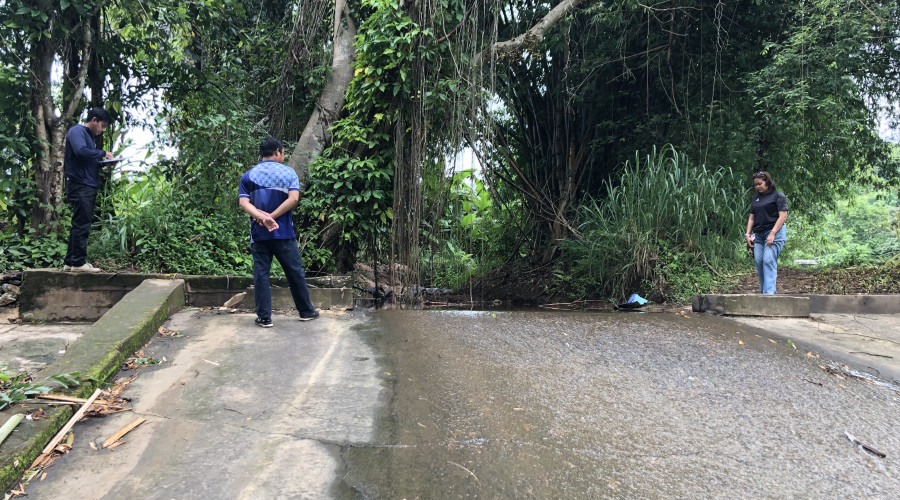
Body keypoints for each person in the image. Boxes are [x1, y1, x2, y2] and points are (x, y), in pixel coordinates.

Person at [238, 137, 318, 327]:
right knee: (294, 272)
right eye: (283, 153)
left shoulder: (248, 176)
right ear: (277, 152)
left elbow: (243, 203)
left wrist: (262, 218)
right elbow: (294, 199)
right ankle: (306, 311)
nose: (283, 156)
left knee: (261, 275)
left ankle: (264, 318)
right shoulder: (289, 173)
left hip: (259, 234)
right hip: (284, 233)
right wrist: (272, 217)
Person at [63, 107, 115, 272]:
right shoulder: (77, 131)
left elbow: (87, 160)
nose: (102, 130)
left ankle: (70, 262)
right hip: (80, 185)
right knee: (82, 224)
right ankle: (78, 263)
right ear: (94, 120)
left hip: (86, 184)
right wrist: (103, 153)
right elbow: (81, 151)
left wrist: (103, 163)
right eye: (102, 125)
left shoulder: (89, 137)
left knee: (79, 223)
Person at [745, 171, 788, 294]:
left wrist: (772, 233)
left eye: (760, 184)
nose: (757, 186)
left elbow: (783, 216)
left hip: (774, 232)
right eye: (756, 185)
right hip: (758, 234)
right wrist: (748, 234)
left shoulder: (778, 196)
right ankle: (766, 293)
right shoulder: (756, 198)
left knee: (768, 261)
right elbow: (751, 218)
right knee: (759, 262)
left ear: (767, 182)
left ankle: (769, 295)